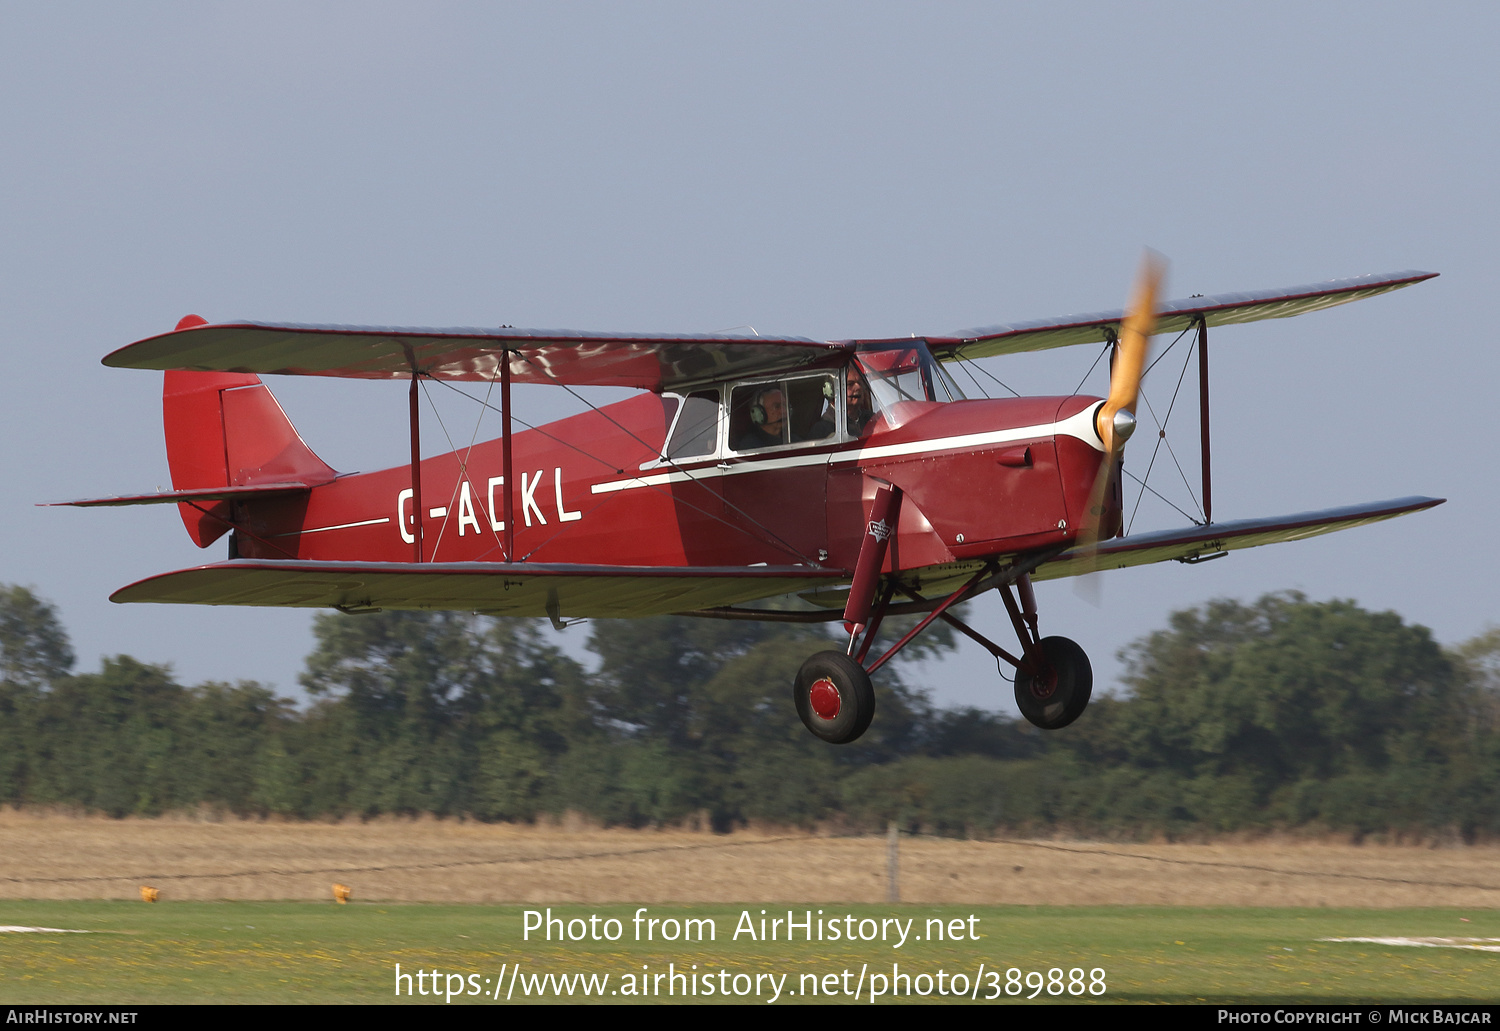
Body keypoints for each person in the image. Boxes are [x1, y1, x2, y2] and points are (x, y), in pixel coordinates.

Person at [733, 386, 787, 450]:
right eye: (776, 407)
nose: (784, 411)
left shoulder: (793, 439)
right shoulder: (750, 445)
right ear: (759, 413)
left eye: (784, 405)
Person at [845, 369, 874, 437]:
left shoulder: (872, 419)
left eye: (860, 383)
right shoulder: (824, 427)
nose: (858, 387)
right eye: (850, 384)